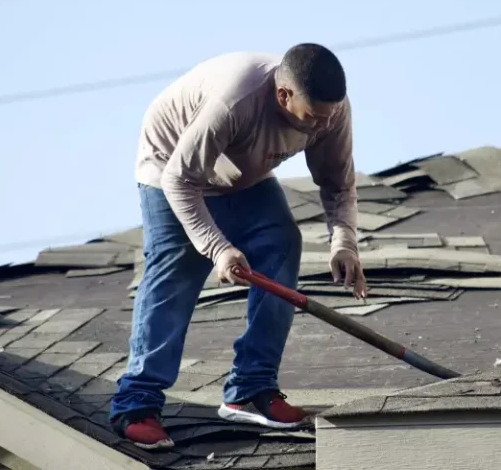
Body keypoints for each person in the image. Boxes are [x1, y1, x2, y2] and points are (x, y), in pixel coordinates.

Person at [109, 44, 367, 450]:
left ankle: (250, 389)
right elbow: (180, 179)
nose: (321, 126)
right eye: (313, 117)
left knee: (281, 242)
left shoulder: (330, 110)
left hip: (241, 176)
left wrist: (345, 244)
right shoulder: (236, 101)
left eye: (328, 116)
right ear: (284, 96)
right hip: (171, 170)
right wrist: (217, 247)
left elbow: (338, 184)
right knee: (176, 270)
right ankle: (136, 404)